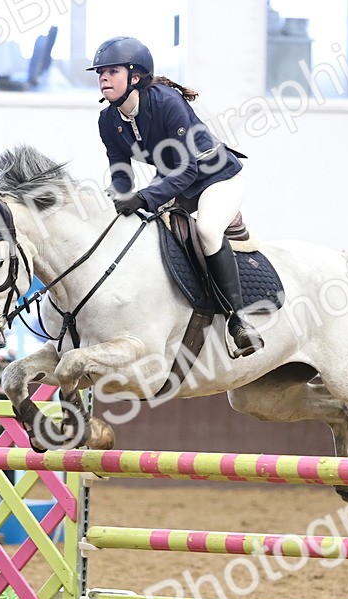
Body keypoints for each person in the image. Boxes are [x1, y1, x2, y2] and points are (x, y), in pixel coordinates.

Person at [88, 36, 263, 358]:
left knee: (208, 231)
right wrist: (120, 196)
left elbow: (187, 170)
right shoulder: (108, 120)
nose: (103, 78)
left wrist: (142, 198)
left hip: (216, 178)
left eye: (112, 71)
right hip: (175, 184)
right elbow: (120, 169)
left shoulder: (167, 103)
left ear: (135, 76)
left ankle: (239, 321)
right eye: (100, 72)